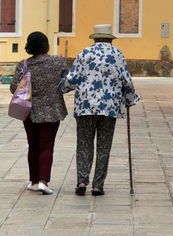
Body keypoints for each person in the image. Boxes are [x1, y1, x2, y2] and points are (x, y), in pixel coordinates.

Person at [62, 24, 140, 196]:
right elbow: (127, 81)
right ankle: (98, 185)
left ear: (95, 38)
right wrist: (130, 99)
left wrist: (62, 88)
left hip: (85, 107)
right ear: (110, 39)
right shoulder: (117, 54)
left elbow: (71, 80)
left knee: (84, 144)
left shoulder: (84, 53)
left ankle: (82, 181)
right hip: (109, 107)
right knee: (104, 146)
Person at [9, 31, 68, 195]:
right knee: (47, 146)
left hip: (29, 110)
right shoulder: (59, 62)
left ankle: (34, 181)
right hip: (52, 110)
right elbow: (66, 84)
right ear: (46, 45)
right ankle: (43, 181)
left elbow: (14, 88)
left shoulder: (24, 65)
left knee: (33, 146)